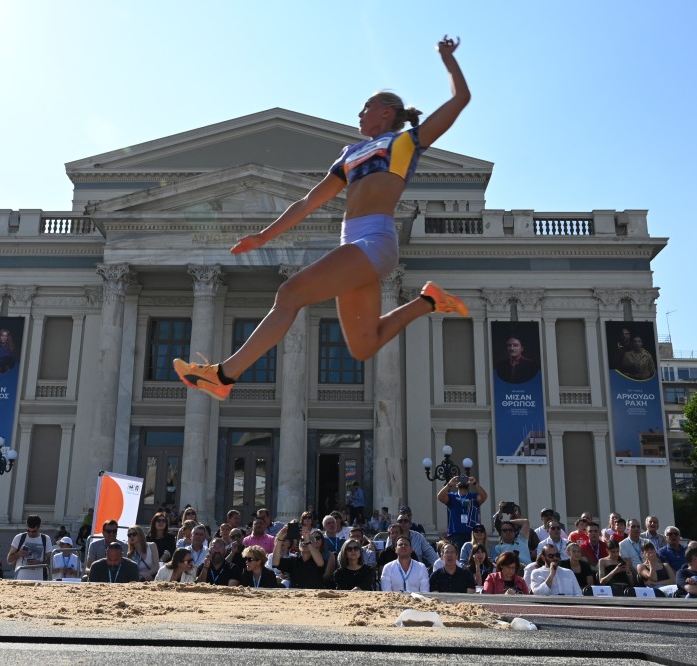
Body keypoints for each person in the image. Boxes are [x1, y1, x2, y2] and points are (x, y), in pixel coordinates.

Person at [172, 36, 472, 401]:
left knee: (289, 294)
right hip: (353, 245)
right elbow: (309, 201)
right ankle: (429, 301)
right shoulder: (349, 153)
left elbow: (460, 100)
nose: (359, 113)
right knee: (364, 346)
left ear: (386, 112)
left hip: (375, 240)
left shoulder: (406, 143)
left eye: (367, 107)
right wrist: (263, 237)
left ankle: (223, 374)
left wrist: (446, 59)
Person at [437, 474, 488, 551]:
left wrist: (475, 483)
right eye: (460, 479)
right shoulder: (452, 496)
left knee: (472, 556)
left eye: (465, 479)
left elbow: (484, 496)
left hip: (472, 534)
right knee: (458, 557)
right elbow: (440, 497)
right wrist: (450, 484)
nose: (462, 481)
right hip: (456, 534)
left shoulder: (473, 496)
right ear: (457, 484)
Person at [7, 515, 54, 581]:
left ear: (39, 527)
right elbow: (9, 560)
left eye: (34, 531)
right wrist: (18, 554)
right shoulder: (19, 538)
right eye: (28, 530)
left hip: (38, 580)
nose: (31, 533)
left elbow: (51, 561)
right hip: (20, 579)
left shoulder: (46, 539)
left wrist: (39, 563)